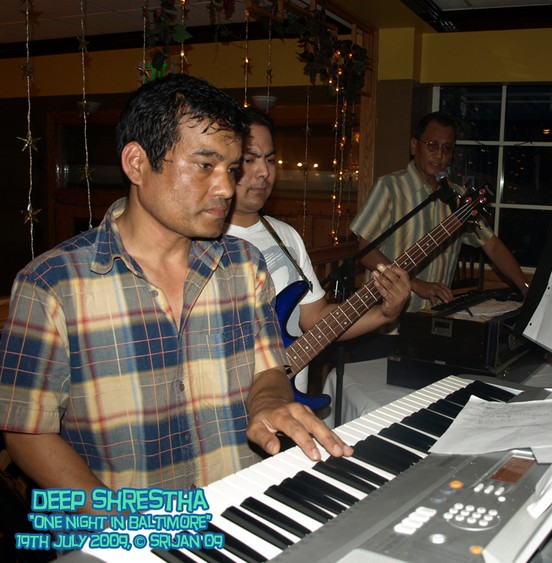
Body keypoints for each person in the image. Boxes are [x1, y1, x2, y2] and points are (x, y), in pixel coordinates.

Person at [0, 73, 352, 512]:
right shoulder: (51, 285)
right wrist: (113, 519)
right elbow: (27, 431)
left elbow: (268, 369)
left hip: (237, 514)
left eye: (231, 169)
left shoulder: (244, 266)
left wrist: (269, 403)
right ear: (137, 163)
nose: (226, 187)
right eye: (205, 165)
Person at [225, 109, 411, 395]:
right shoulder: (199, 242)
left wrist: (385, 313)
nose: (264, 172)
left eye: (270, 160)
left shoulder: (286, 236)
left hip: (291, 405)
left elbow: (315, 318)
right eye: (250, 159)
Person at [350, 111, 529, 316]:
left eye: (447, 148)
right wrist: (414, 283)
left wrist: (525, 288)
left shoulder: (458, 198)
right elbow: (365, 251)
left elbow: (493, 246)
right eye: (432, 145)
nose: (439, 154)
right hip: (384, 318)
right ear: (414, 146)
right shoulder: (390, 187)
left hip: (433, 318)